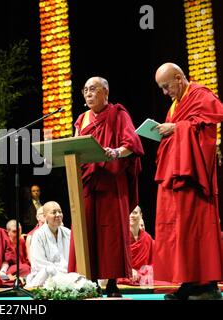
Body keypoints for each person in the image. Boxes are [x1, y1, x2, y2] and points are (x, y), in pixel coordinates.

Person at [68, 76, 144, 297]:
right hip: (87, 181)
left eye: (93, 89)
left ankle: (111, 282)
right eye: (85, 90)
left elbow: (131, 143)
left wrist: (116, 152)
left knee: (111, 233)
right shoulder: (82, 119)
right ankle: (88, 280)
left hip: (111, 181)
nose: (88, 93)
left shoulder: (118, 114)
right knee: (86, 229)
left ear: (106, 93)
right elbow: (74, 145)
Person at [153, 62, 223, 300]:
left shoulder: (199, 95)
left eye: (166, 86)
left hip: (194, 175)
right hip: (176, 174)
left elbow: (209, 126)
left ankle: (208, 285)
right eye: (161, 88)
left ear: (178, 78)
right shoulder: (176, 104)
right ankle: (189, 282)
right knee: (178, 230)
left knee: (199, 227)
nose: (165, 92)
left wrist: (176, 128)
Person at [25, 201, 70, 288]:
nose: (58, 215)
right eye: (54, 212)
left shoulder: (68, 233)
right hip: (46, 276)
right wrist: (61, 271)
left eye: (60, 212)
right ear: (45, 216)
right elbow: (39, 264)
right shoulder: (38, 235)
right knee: (48, 271)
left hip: (67, 272)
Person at [118, 206, 154, 285]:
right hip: (125, 274)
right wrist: (129, 270)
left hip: (143, 275)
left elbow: (153, 262)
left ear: (141, 215)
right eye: (129, 213)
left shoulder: (147, 238)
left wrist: (142, 273)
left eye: (135, 212)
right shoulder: (120, 237)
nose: (131, 215)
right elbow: (116, 262)